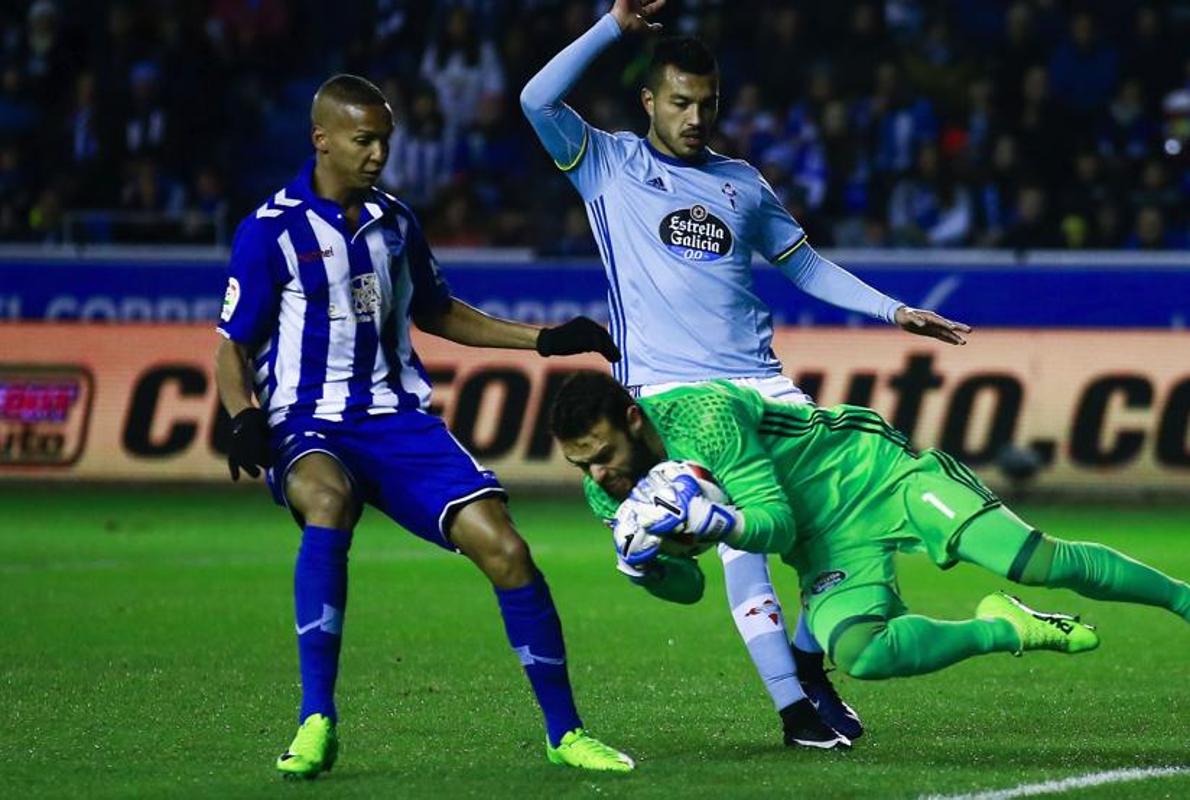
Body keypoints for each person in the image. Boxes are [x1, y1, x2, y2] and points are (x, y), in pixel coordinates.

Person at [521, 0, 970, 748]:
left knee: (830, 531)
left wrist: (891, 311)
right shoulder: (607, 163)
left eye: (707, 103)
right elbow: (535, 99)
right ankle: (794, 711)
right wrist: (612, 26)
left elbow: (805, 266)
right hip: (670, 394)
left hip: (762, 385)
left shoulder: (742, 183)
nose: (695, 117)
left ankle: (807, 662)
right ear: (649, 102)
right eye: (680, 102)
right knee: (742, 539)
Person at [213, 74, 634, 779]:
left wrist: (546, 340)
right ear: (322, 140)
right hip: (307, 421)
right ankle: (316, 717)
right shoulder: (270, 230)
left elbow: (437, 312)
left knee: (506, 549)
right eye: (364, 140)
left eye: (385, 140)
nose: (378, 153)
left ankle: (566, 733)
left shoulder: (397, 223)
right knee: (327, 500)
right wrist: (243, 419)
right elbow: (231, 344)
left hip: (397, 421)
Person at [549, 372, 1190, 687]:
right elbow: (688, 589)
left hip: (875, 474)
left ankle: (1182, 598)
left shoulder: (708, 416)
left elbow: (774, 523)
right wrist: (649, 570)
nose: (598, 474)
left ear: (632, 420)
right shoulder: (607, 494)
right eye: (582, 462)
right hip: (825, 540)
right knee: (861, 653)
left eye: (602, 454)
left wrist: (724, 522)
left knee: (1033, 560)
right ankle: (1006, 626)